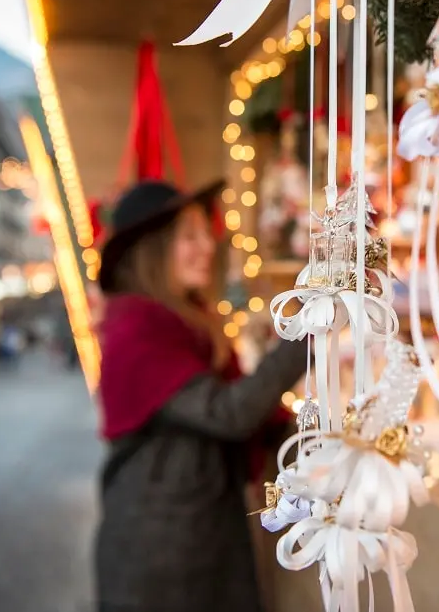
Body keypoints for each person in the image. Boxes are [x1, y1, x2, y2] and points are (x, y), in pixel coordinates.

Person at [93, 180, 306, 612]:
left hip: (196, 537)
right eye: (189, 235)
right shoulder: (137, 331)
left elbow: (243, 411)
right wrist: (310, 330)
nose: (208, 246)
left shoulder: (187, 324)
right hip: (161, 554)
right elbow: (229, 412)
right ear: (153, 248)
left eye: (205, 233)